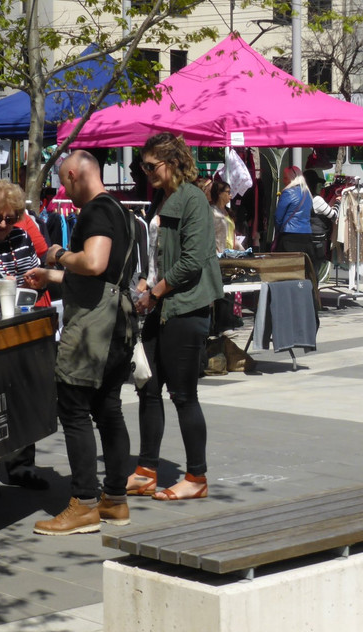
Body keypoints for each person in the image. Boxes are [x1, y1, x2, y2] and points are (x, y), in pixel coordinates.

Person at [23, 150, 138, 535]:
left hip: (94, 330)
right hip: (119, 325)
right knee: (108, 409)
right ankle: (115, 499)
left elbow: (93, 263)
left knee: (73, 408)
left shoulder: (95, 211)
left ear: (73, 174)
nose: (62, 191)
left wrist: (57, 255)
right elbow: (104, 278)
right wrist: (51, 278)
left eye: (61, 181)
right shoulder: (122, 212)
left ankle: (84, 503)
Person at [127, 132, 223, 501]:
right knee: (148, 388)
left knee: (183, 395)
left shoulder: (193, 199)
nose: (145, 171)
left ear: (172, 162)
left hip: (184, 308)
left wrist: (155, 291)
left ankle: (196, 477)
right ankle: (146, 471)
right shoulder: (162, 198)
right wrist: (143, 280)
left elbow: (192, 259)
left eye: (151, 165)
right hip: (159, 305)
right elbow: (157, 254)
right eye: (143, 165)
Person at [0, 180, 50, 491]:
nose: (4, 224)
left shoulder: (22, 236)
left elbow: (36, 276)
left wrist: (33, 281)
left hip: (20, 326)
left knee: (22, 396)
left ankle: (21, 465)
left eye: (10, 218)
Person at [274, 165, 314, 258]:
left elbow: (278, 217)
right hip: (306, 235)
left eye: (285, 178)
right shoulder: (307, 193)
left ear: (292, 178)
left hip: (289, 236)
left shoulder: (288, 192)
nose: (284, 181)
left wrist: (278, 232)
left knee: (287, 266)